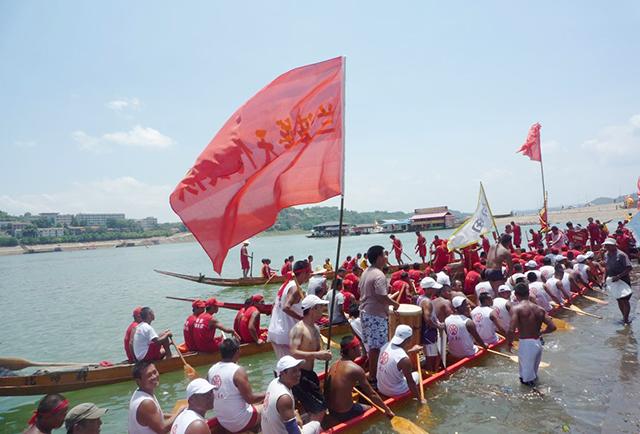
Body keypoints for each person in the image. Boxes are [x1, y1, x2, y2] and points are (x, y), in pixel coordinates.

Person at [359, 245, 400, 386]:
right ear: (379, 258)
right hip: (375, 315)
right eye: (384, 255)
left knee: (372, 346)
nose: (387, 257)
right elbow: (382, 297)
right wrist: (395, 305)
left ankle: (373, 373)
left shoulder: (366, 272)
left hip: (365, 313)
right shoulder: (379, 275)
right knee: (378, 347)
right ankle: (374, 377)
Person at [326, 335, 394, 421]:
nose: (361, 349)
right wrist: (387, 410)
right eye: (358, 347)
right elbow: (372, 394)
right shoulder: (356, 369)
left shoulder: (334, 365)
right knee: (371, 409)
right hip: (344, 412)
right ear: (351, 350)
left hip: (331, 410)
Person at [208, 338, 264, 433]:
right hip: (241, 422)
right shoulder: (238, 371)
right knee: (269, 405)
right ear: (237, 351)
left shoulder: (211, 370)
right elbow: (250, 399)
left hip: (223, 421)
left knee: (255, 403)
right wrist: (268, 393)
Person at [289, 295, 332, 415]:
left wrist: (324, 355)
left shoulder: (316, 329)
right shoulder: (298, 329)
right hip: (300, 376)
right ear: (313, 309)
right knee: (321, 408)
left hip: (311, 374)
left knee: (318, 405)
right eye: (320, 307)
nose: (323, 310)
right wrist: (317, 354)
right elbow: (293, 352)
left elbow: (317, 352)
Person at [507, 283, 557, 386]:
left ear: (516, 295)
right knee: (532, 375)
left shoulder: (516, 309)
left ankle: (538, 397)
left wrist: (509, 343)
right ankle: (537, 390)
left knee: (526, 380)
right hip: (537, 343)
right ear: (528, 293)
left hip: (526, 345)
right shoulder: (539, 309)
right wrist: (541, 332)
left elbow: (511, 330)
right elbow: (553, 327)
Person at [261, 356, 323, 434]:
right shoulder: (284, 398)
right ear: (283, 373)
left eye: (299, 370)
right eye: (294, 371)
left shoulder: (274, 382)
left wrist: (295, 414)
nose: (298, 374)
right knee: (316, 425)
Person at [268, 260, 310, 359]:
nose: (310, 275)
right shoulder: (295, 288)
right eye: (309, 273)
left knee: (284, 368)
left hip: (275, 331)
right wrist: (302, 319)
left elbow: (274, 305)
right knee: (294, 369)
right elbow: (286, 307)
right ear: (304, 273)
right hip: (287, 334)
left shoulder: (285, 285)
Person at [128, 361, 184, 433]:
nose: (154, 376)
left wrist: (173, 416)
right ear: (138, 381)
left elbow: (153, 416)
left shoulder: (139, 393)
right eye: (149, 375)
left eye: (155, 372)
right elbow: (162, 429)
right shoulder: (146, 403)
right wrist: (179, 412)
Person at [376, 325, 425, 403]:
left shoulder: (385, 346)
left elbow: (395, 357)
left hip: (380, 387)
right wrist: (420, 400)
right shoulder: (404, 359)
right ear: (409, 339)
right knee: (417, 375)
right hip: (394, 391)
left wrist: (411, 351)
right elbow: (410, 382)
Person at [603, 237, 634, 324]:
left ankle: (626, 319)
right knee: (619, 299)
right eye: (605, 245)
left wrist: (619, 276)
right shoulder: (606, 254)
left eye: (608, 245)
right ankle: (623, 316)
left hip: (623, 280)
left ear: (614, 246)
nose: (606, 247)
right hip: (612, 280)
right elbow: (606, 268)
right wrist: (604, 279)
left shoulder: (621, 255)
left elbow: (629, 268)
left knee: (625, 300)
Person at [417, 277, 445, 372]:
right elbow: (427, 319)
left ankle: (434, 370)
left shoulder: (421, 298)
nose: (435, 290)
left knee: (433, 354)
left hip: (428, 331)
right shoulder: (427, 302)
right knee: (431, 357)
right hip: (428, 332)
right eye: (433, 288)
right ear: (428, 289)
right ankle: (431, 372)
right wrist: (438, 326)